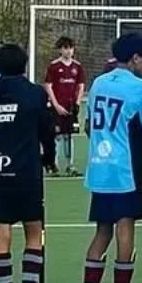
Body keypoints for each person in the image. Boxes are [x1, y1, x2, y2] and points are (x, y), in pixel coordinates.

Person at [77, 33, 142, 283]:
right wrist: (137, 156)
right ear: (135, 57)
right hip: (126, 170)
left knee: (102, 231)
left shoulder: (99, 82)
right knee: (126, 230)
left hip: (100, 167)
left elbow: (89, 126)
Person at [0, 43, 59, 283]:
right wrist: (50, 158)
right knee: (33, 232)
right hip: (26, 170)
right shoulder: (34, 93)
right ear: (24, 65)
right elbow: (46, 129)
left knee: (1, 234)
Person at [42, 36, 86, 177]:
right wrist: (56, 105)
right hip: (57, 106)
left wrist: (78, 103)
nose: (68, 51)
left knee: (69, 135)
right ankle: (53, 165)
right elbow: (48, 86)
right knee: (56, 136)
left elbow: (81, 85)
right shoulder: (54, 66)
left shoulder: (77, 66)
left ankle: (70, 166)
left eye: (70, 48)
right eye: (65, 48)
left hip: (70, 106)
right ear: (60, 50)